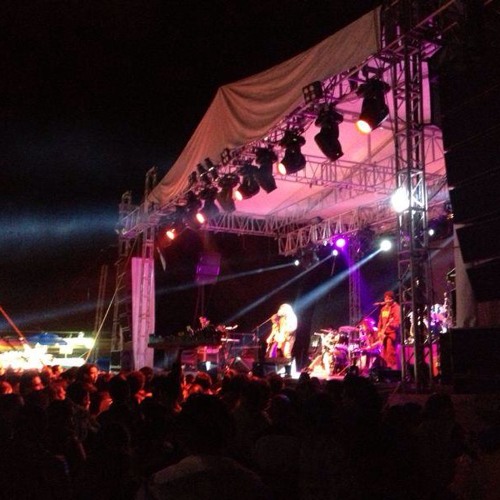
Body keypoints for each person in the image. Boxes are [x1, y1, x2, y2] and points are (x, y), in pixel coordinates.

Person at [377, 291, 400, 369]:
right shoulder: (383, 309)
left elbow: (397, 323)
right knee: (383, 354)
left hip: (392, 334)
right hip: (384, 335)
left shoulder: (397, 308)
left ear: (392, 299)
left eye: (388, 298)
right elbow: (380, 321)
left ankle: (393, 370)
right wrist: (379, 331)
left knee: (390, 353)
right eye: (385, 298)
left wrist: (390, 325)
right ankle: (386, 370)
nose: (387, 300)